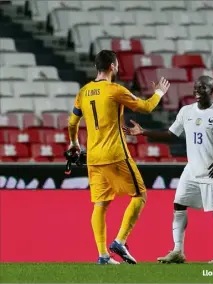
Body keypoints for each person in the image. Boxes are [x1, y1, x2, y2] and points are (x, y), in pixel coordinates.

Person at [67, 50, 170, 265]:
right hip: (115, 154)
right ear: (113, 66)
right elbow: (146, 107)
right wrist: (159, 93)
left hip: (93, 158)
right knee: (140, 195)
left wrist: (74, 142)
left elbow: (72, 123)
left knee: (100, 205)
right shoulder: (115, 90)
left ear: (97, 67)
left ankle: (103, 255)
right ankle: (120, 241)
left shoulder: (84, 91)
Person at [123, 76, 213, 264]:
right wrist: (144, 132)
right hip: (192, 169)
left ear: (211, 90)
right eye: (195, 88)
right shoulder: (186, 111)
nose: (197, 91)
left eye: (202, 88)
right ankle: (178, 251)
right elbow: (170, 134)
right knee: (178, 205)